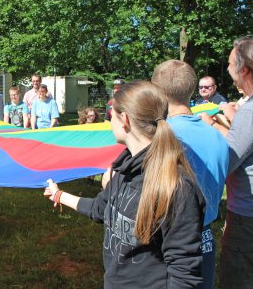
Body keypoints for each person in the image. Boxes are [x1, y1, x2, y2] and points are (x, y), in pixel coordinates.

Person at [44, 81, 205, 288]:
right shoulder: (123, 170)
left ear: (125, 120)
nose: (109, 122)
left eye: (111, 116)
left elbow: (184, 274)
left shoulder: (176, 187)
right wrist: (59, 195)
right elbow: (100, 209)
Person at [200, 35, 253, 289]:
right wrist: (235, 119)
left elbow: (227, 160)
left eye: (231, 64)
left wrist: (211, 126)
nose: (229, 69)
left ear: (244, 69)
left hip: (251, 219)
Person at [151, 59, 229, 289]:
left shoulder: (160, 138)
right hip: (205, 240)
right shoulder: (219, 136)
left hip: (167, 244)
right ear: (193, 90)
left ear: (157, 91)